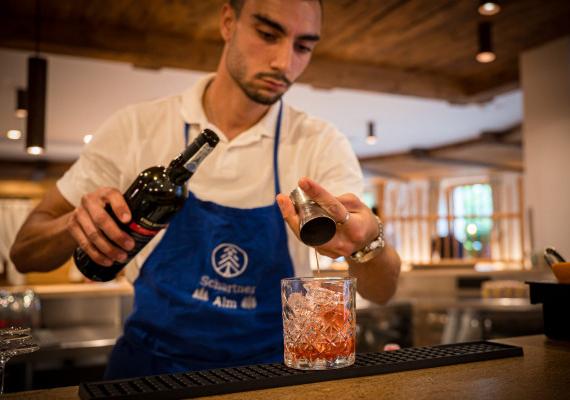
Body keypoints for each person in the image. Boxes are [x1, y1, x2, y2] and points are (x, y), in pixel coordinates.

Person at [10, 0, 401, 378]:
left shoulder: (320, 143)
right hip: (150, 374)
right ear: (228, 22)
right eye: (268, 34)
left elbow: (381, 292)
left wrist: (368, 244)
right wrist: (76, 224)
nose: (284, 62)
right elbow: (25, 252)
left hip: (268, 378)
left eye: (303, 47)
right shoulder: (137, 128)